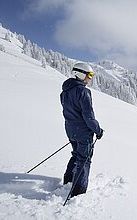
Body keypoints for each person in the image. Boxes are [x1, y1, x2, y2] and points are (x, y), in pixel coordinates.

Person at [60, 62, 104, 197]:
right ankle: (78, 191)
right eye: (89, 75)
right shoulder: (83, 92)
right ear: (80, 74)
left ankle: (68, 181)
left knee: (76, 155)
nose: (90, 78)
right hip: (83, 131)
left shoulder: (64, 92)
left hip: (70, 129)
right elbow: (88, 116)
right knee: (84, 159)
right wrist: (98, 130)